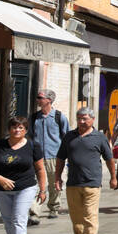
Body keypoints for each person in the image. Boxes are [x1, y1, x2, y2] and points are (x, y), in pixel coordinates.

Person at [55, 108, 115, 234]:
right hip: (73, 182)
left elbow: (109, 159)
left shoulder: (99, 137)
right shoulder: (69, 137)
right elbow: (61, 158)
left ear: (92, 120)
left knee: (90, 216)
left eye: (85, 118)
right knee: (76, 218)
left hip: (92, 183)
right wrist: (57, 178)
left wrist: (113, 177)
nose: (81, 121)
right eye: (79, 118)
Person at [28, 89, 69, 223]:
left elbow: (66, 137)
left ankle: (53, 207)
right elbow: (30, 135)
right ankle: (35, 211)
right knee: (37, 184)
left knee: (54, 183)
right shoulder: (34, 117)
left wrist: (66, 155)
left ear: (49, 100)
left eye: (40, 98)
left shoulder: (59, 117)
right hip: (37, 157)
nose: (38, 100)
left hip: (54, 156)